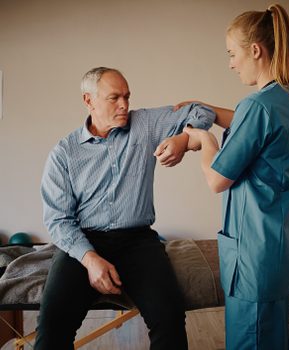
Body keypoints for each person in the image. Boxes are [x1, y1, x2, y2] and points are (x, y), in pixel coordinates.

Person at [35, 67, 215, 350]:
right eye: (114, 98)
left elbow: (201, 111)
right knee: (51, 327)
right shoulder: (64, 153)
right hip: (84, 242)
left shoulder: (143, 124)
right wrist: (90, 259)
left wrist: (182, 139)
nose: (124, 105)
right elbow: (58, 220)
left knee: (169, 318)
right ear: (88, 100)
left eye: (127, 97)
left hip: (138, 241)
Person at [164, 4, 289, 349]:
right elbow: (250, 125)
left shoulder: (257, 107)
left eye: (232, 53)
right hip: (278, 247)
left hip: (253, 256)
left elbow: (217, 179)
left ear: (255, 50)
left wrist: (203, 139)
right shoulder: (288, 100)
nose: (230, 63)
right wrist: (207, 109)